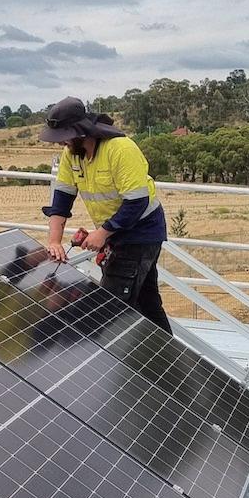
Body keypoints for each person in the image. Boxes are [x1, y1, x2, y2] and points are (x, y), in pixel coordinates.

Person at [39, 95, 173, 334]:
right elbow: (61, 199)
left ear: (81, 131)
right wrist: (54, 241)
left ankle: (118, 356)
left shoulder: (120, 149)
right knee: (147, 304)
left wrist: (102, 233)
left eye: (64, 137)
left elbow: (137, 202)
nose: (61, 143)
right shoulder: (72, 155)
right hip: (116, 233)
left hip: (141, 233)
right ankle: (166, 355)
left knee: (109, 310)